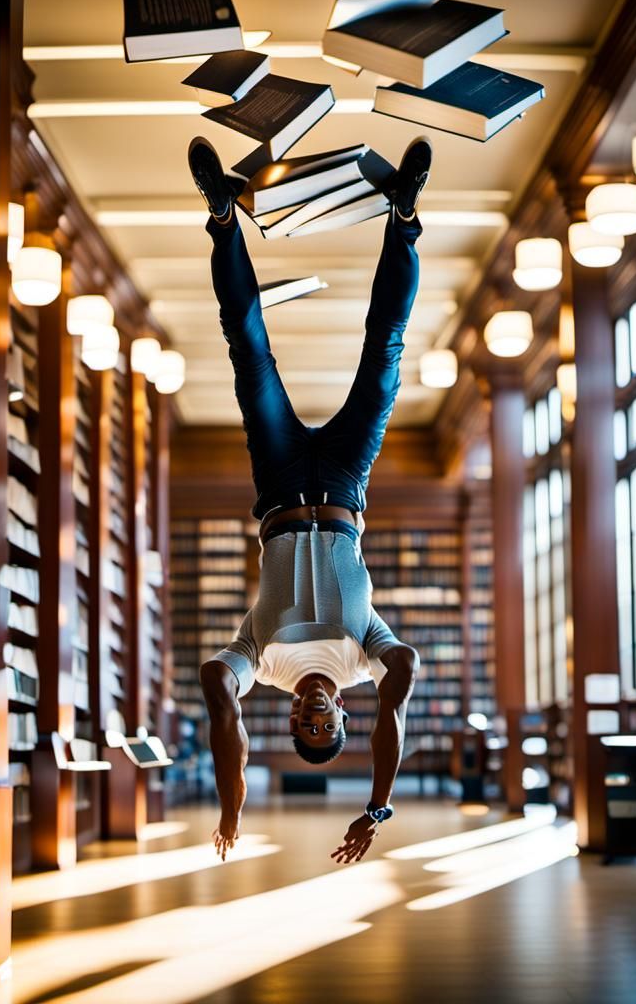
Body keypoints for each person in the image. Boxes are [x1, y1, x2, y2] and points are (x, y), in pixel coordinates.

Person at [189, 134, 432, 865]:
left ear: (292, 715)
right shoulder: (367, 660)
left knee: (247, 347)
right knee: (385, 354)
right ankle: (405, 216)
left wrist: (232, 805)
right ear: (345, 721)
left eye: (302, 726)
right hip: (347, 482)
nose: (310, 714)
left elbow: (212, 681)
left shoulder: (259, 661)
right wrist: (378, 807)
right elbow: (408, 667)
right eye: (324, 728)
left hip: (279, 481)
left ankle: (224, 216)